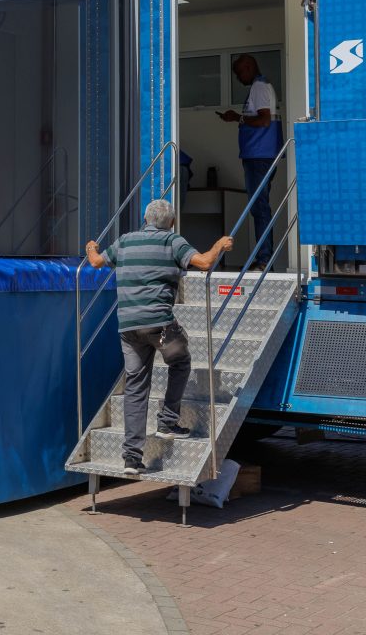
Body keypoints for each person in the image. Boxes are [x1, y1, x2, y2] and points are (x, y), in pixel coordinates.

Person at [86, 200, 232, 476]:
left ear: (145, 219)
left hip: (128, 328)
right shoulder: (172, 241)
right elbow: (204, 262)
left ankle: (131, 458)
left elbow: (95, 262)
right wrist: (219, 245)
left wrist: (91, 247)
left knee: (135, 388)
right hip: (160, 326)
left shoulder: (125, 241)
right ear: (172, 223)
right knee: (180, 361)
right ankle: (166, 422)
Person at [217, 54, 283, 270]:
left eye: (238, 73)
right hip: (259, 155)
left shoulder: (260, 87)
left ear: (248, 67)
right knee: (259, 207)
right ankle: (264, 259)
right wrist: (237, 118)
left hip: (259, 156)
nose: (237, 78)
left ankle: (264, 260)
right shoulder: (260, 87)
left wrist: (239, 118)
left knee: (260, 208)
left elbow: (264, 120)